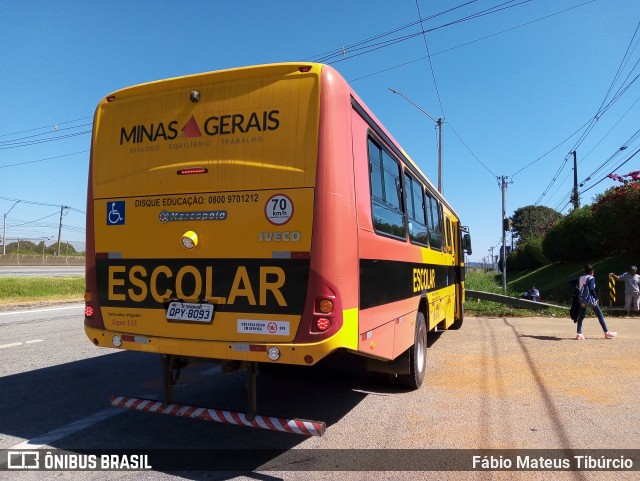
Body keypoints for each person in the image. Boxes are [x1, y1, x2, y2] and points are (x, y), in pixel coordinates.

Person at [575, 264, 617, 340]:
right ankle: (606, 332)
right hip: (590, 299)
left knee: (581, 316)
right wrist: (596, 297)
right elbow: (591, 289)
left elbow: (579, 288)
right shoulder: (591, 278)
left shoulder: (581, 277)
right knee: (599, 315)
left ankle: (579, 333)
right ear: (592, 271)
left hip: (582, 299)